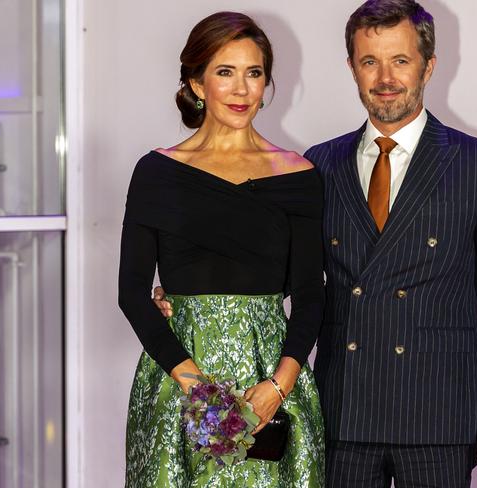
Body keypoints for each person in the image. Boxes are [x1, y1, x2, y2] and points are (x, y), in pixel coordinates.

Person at [154, 1, 477, 486]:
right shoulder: (317, 165)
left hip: (437, 415)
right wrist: (188, 290)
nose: (385, 78)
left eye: (400, 60)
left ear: (429, 66)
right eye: (369, 61)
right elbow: (282, 272)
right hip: (341, 412)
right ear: (352, 68)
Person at [118, 12, 325, 488]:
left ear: (267, 83)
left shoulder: (298, 176)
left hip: (271, 384)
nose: (241, 89)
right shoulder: (156, 173)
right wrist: (199, 391)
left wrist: (279, 385)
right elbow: (131, 295)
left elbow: (312, 297)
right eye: (225, 72)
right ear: (196, 82)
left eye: (254, 74)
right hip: (180, 384)